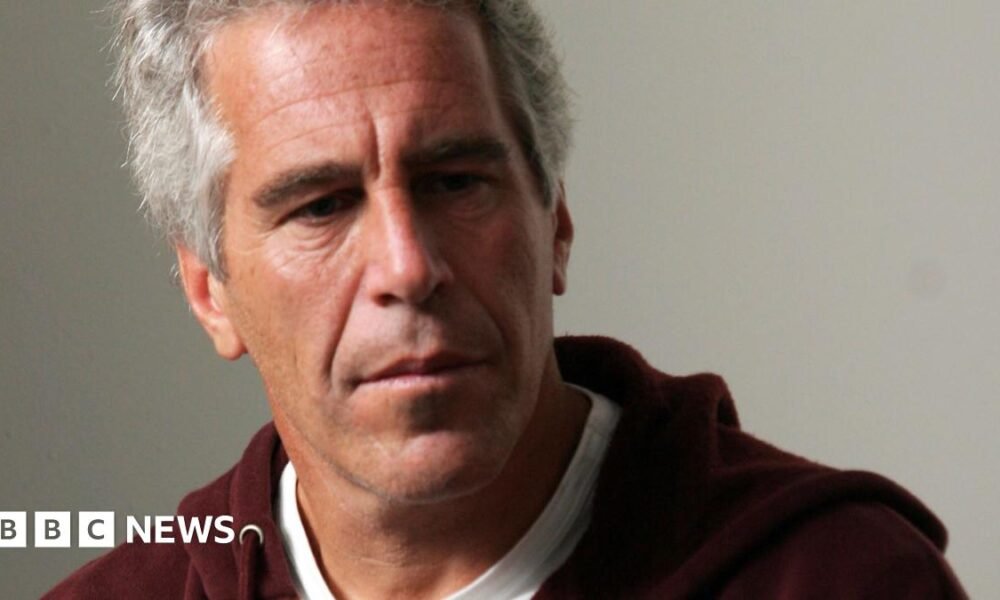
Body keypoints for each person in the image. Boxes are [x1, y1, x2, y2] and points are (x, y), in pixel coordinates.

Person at [47, 0, 966, 598]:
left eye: (455, 182)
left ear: (554, 221)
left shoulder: (836, 578)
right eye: (321, 206)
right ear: (209, 291)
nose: (408, 267)